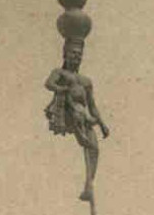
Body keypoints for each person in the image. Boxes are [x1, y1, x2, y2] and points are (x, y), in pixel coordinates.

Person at [44, 37, 110, 202]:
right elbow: (49, 84)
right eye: (73, 53)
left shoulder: (86, 81)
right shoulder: (60, 73)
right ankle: (81, 135)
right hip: (68, 111)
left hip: (85, 117)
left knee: (94, 148)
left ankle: (88, 185)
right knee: (77, 112)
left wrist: (102, 124)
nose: (76, 57)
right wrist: (63, 88)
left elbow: (92, 105)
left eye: (79, 54)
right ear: (65, 54)